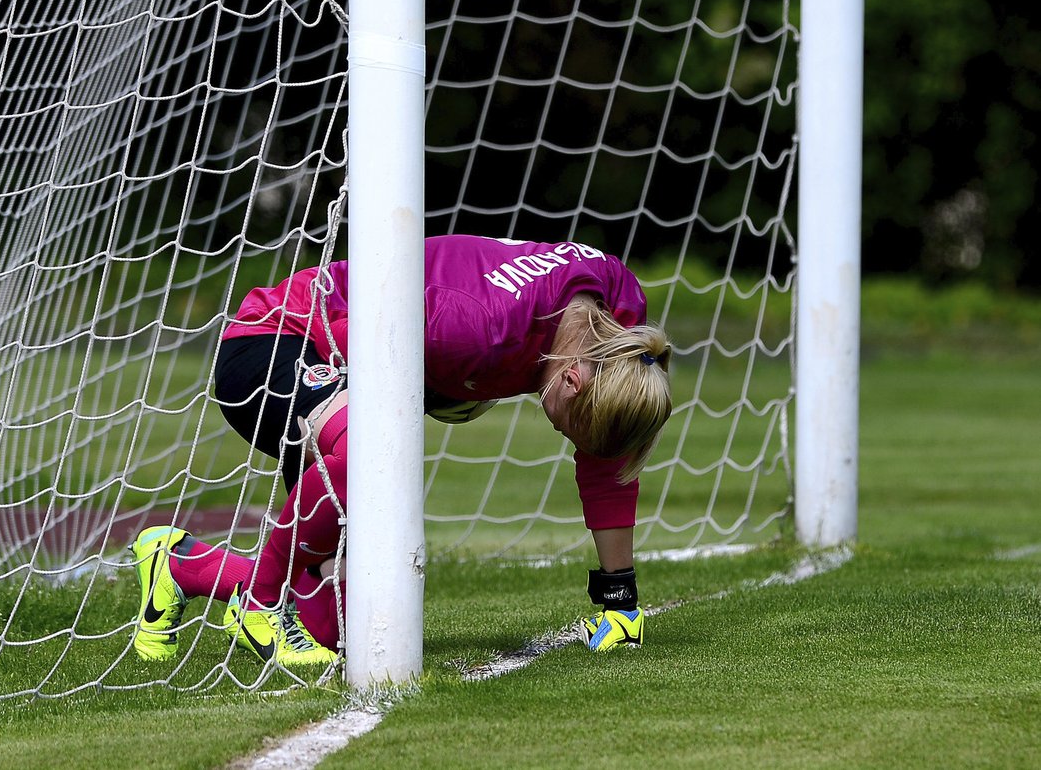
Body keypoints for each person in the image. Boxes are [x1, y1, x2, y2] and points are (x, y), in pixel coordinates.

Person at [130, 235, 672, 666]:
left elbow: (607, 466)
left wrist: (619, 600)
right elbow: (346, 340)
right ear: (573, 380)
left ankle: (178, 565)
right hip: (275, 340)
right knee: (369, 452)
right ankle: (261, 599)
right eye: (573, 431)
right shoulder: (473, 331)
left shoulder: (620, 329)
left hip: (346, 378)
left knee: (340, 629)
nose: (570, 441)